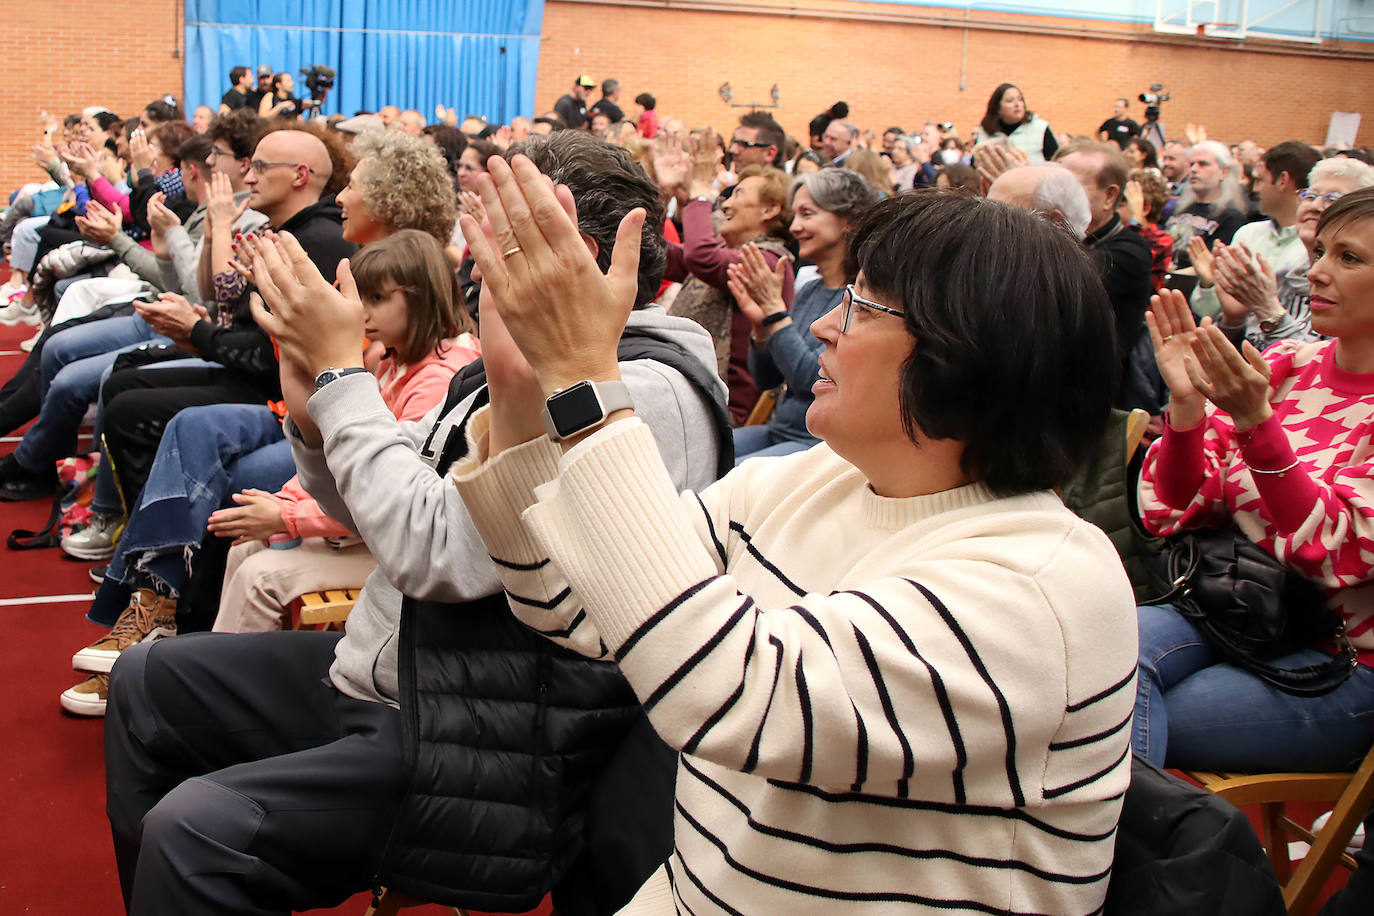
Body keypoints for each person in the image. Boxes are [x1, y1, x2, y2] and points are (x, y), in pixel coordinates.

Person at [452, 174, 1135, 913]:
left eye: (863, 305)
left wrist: (582, 380)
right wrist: (518, 382)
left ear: (967, 353)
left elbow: (728, 694)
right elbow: (569, 604)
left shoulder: (1041, 583)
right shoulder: (812, 481)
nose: (821, 327)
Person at [103, 130, 725, 915]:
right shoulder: (519, 355)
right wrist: (313, 407)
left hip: (490, 731)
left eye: (491, 243)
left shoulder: (644, 389)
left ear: (567, 253)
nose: (468, 263)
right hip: (404, 672)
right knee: (149, 681)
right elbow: (371, 506)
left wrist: (342, 378)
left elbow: (438, 555)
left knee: (197, 833)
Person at [1133, 188, 1374, 774]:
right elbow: (1173, 509)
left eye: (1348, 258)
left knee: (1115, 712)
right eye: (1319, 252)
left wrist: (1256, 424)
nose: (1314, 272)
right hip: (1235, 609)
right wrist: (1187, 410)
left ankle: (1111, 860)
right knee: (1087, 659)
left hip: (1339, 659)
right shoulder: (1289, 364)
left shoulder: (1268, 386)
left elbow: (1338, 551)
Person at [201, 230, 478, 635]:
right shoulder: (389, 357)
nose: (362, 314)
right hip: (365, 533)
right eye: (360, 299)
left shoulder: (436, 379)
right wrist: (288, 501)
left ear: (422, 299)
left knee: (260, 576)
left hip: (395, 549)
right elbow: (344, 453)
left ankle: (225, 686)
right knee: (246, 548)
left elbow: (389, 493)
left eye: (377, 300)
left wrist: (288, 515)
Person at [728, 168, 877, 462]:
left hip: (819, 445)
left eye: (807, 214)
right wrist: (761, 331)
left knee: (732, 475)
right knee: (701, 452)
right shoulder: (809, 289)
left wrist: (775, 314)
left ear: (848, 220)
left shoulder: (862, 299)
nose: (795, 227)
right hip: (779, 430)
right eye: (795, 215)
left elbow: (811, 379)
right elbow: (767, 380)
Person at [656, 139, 797, 423]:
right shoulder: (729, 255)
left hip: (725, 414)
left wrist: (699, 195)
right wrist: (662, 192)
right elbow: (657, 254)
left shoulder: (768, 262)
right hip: (690, 394)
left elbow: (701, 257)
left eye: (738, 194)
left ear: (770, 210)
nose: (726, 204)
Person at [1209, 155, 1374, 352]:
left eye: (1333, 199)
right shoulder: (1283, 279)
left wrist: (1268, 310)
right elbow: (1246, 360)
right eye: (1311, 196)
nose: (1315, 206)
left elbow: (1317, 368)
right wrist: (1234, 319)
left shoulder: (1354, 293)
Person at [1189, 141, 1321, 326]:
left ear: (1282, 181)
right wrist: (1209, 284)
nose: (1255, 189)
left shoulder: (1315, 246)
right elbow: (1208, 311)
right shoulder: (1249, 233)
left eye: (1260, 180)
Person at [1164, 140, 1251, 268]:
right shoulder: (1178, 209)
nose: (1193, 169)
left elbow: (1213, 267)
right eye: (1192, 164)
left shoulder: (1231, 218)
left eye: (1203, 164)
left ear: (1223, 172)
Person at [975, 83, 1058, 163]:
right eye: (1010, 101)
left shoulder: (1040, 127)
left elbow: (1055, 160)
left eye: (1020, 99)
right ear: (998, 107)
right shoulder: (986, 130)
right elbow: (976, 161)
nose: (1017, 104)